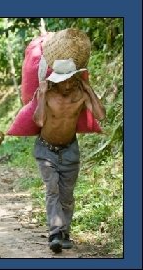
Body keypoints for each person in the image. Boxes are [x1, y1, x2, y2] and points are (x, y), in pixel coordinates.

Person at [32, 58, 105, 253]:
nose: (67, 84)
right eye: (63, 80)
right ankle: (55, 232)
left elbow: (101, 115)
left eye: (71, 79)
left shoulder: (80, 94)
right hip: (46, 150)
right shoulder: (47, 94)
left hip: (70, 150)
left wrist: (89, 89)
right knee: (52, 189)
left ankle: (64, 233)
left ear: (75, 78)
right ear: (55, 80)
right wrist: (42, 94)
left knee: (67, 196)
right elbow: (39, 121)